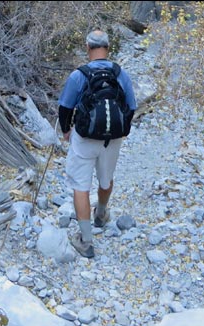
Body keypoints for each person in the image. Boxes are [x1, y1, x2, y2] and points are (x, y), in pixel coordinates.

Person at [58, 29, 137, 258]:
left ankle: (86, 240)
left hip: (84, 138)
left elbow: (65, 107)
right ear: (108, 48)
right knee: (106, 179)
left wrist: (66, 130)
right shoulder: (120, 73)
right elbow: (131, 107)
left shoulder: (78, 75)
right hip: (112, 139)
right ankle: (101, 214)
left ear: (87, 47)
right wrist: (121, 131)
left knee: (81, 187)